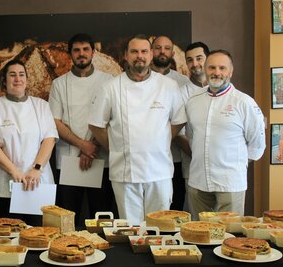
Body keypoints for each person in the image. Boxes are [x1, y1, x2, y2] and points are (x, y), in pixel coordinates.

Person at [89, 34, 186, 225]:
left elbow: (178, 121)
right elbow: (96, 124)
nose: (139, 56)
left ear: (151, 55)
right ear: (125, 55)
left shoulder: (168, 86)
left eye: (143, 51)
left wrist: (161, 140)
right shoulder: (111, 87)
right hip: (125, 173)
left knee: (160, 229)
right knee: (131, 231)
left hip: (159, 172)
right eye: (134, 52)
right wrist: (118, 147)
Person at [185, 50, 266, 218]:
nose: (217, 72)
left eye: (222, 68)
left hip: (230, 183)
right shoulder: (193, 100)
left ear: (230, 72)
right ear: (205, 69)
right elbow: (192, 136)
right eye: (212, 67)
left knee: (229, 235)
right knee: (200, 234)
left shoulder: (244, 103)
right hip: (198, 181)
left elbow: (257, 145)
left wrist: (235, 163)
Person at [0, 60, 58, 226]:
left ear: (27, 80)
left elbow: (49, 139)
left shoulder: (41, 106)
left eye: (21, 74)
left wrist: (36, 168)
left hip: (37, 181)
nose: (17, 79)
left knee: (38, 233)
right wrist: (13, 171)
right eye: (12, 75)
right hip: (3, 183)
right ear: (4, 81)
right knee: (8, 233)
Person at [48, 33, 116, 225]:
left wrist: (91, 147)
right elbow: (55, 121)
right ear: (70, 54)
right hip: (69, 161)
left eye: (86, 49)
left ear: (93, 52)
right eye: (76, 50)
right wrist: (82, 145)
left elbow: (112, 118)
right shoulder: (59, 84)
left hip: (100, 159)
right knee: (68, 220)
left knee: (101, 219)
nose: (81, 54)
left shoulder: (108, 81)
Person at [151, 35, 191, 211]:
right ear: (151, 51)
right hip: (146, 158)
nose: (162, 51)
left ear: (173, 53)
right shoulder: (139, 80)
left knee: (173, 209)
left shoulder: (182, 82)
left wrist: (165, 138)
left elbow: (181, 119)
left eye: (166, 48)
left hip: (175, 157)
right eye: (158, 47)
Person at [178, 42, 210, 202]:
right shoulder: (182, 93)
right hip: (193, 167)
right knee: (198, 221)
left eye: (199, 58)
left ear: (208, 59)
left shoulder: (225, 89)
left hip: (222, 168)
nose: (195, 64)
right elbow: (179, 133)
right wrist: (200, 156)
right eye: (190, 60)